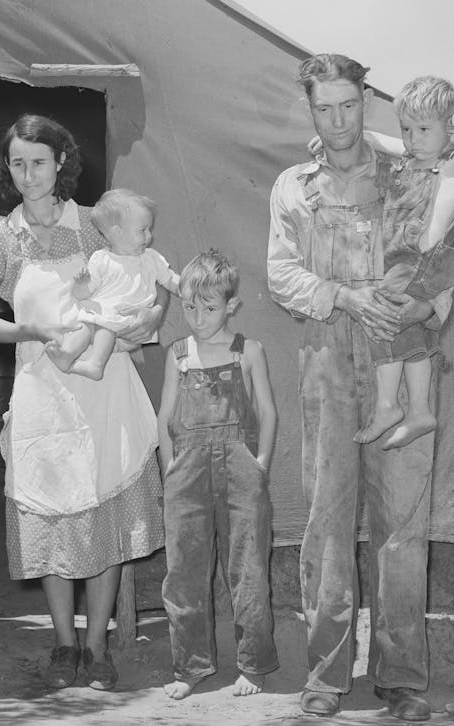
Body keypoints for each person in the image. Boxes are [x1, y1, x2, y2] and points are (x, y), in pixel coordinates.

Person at [267, 54, 450, 722]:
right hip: (329, 366)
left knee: (402, 522)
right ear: (309, 109)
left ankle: (401, 676)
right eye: (325, 107)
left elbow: (442, 264)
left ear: (366, 102)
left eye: (350, 105)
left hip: (400, 361)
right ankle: (325, 673)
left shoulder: (409, 174)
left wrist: (421, 309)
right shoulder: (293, 187)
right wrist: (343, 295)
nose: (340, 120)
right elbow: (280, 273)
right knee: (327, 520)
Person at [0, 114, 166, 691]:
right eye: (18, 163)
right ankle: (62, 643)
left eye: (39, 161)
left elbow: (137, 295)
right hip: (42, 390)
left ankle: (98, 646)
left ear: (61, 163)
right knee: (52, 514)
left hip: (102, 387)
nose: (28, 174)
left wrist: (134, 327)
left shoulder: (98, 229)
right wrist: (29, 331)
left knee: (103, 510)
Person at [353, 76, 454, 449]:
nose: (413, 138)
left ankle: (387, 406)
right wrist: (337, 142)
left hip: (425, 259)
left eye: (424, 129)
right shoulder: (407, 160)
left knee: (384, 317)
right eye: (406, 128)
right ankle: (420, 410)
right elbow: (373, 139)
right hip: (407, 262)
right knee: (414, 334)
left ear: (447, 127)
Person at [156, 249, 278, 701]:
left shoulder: (249, 351)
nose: (198, 317)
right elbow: (164, 416)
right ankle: (191, 666)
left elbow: (266, 411)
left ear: (231, 306)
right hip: (186, 474)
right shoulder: (178, 355)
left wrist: (260, 463)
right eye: (189, 306)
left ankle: (253, 664)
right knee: (184, 573)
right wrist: (170, 467)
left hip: (241, 471)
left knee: (247, 570)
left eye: (209, 308)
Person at [45, 188, 180, 380]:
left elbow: (170, 279)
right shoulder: (100, 259)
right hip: (109, 323)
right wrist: (81, 284)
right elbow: (83, 294)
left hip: (129, 323)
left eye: (148, 229)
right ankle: (68, 354)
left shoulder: (151, 258)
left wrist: (188, 288)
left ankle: (95, 364)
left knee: (103, 321)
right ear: (117, 233)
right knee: (86, 323)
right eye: (142, 230)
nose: (149, 236)